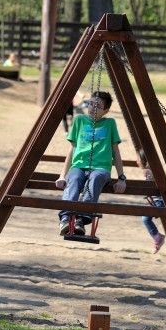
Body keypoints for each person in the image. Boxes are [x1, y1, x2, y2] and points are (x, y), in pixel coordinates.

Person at [55, 91, 127, 236]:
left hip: (101, 168)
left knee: (95, 179)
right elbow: (72, 149)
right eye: (91, 103)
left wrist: (121, 178)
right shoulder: (79, 120)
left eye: (97, 106)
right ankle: (65, 218)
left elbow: (116, 152)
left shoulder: (110, 123)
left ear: (105, 111)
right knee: (74, 179)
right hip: (79, 165)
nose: (92, 107)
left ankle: (81, 220)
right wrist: (62, 176)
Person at [136, 149, 166, 253]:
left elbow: (162, 180)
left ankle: (158, 238)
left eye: (138, 160)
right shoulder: (148, 172)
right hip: (155, 202)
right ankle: (158, 238)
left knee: (145, 219)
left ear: (146, 162)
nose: (137, 162)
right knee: (145, 218)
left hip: (161, 202)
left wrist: (150, 173)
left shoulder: (154, 171)